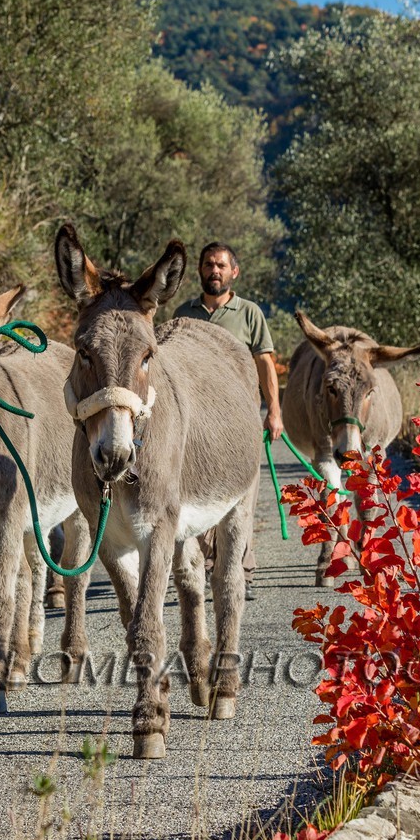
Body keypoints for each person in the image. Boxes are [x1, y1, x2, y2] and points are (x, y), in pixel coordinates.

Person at [171, 241, 281, 594]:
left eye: (220, 265)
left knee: (241, 499)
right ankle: (204, 566)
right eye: (208, 264)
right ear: (200, 270)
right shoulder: (182, 313)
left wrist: (274, 411)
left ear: (234, 272)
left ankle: (239, 573)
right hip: (197, 421)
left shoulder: (249, 313)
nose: (213, 270)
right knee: (198, 491)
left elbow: (265, 363)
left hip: (241, 421)